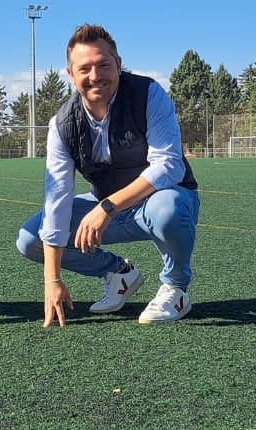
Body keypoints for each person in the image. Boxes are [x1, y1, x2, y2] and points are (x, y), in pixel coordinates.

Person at [16, 23, 200, 326]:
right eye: (84, 68)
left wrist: (108, 206)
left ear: (118, 64)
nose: (95, 76)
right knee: (31, 239)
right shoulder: (62, 124)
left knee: (169, 208)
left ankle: (176, 288)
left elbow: (169, 166)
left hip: (156, 203)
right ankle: (118, 274)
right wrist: (52, 281)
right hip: (106, 206)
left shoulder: (148, 94)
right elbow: (57, 198)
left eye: (103, 65)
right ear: (71, 74)